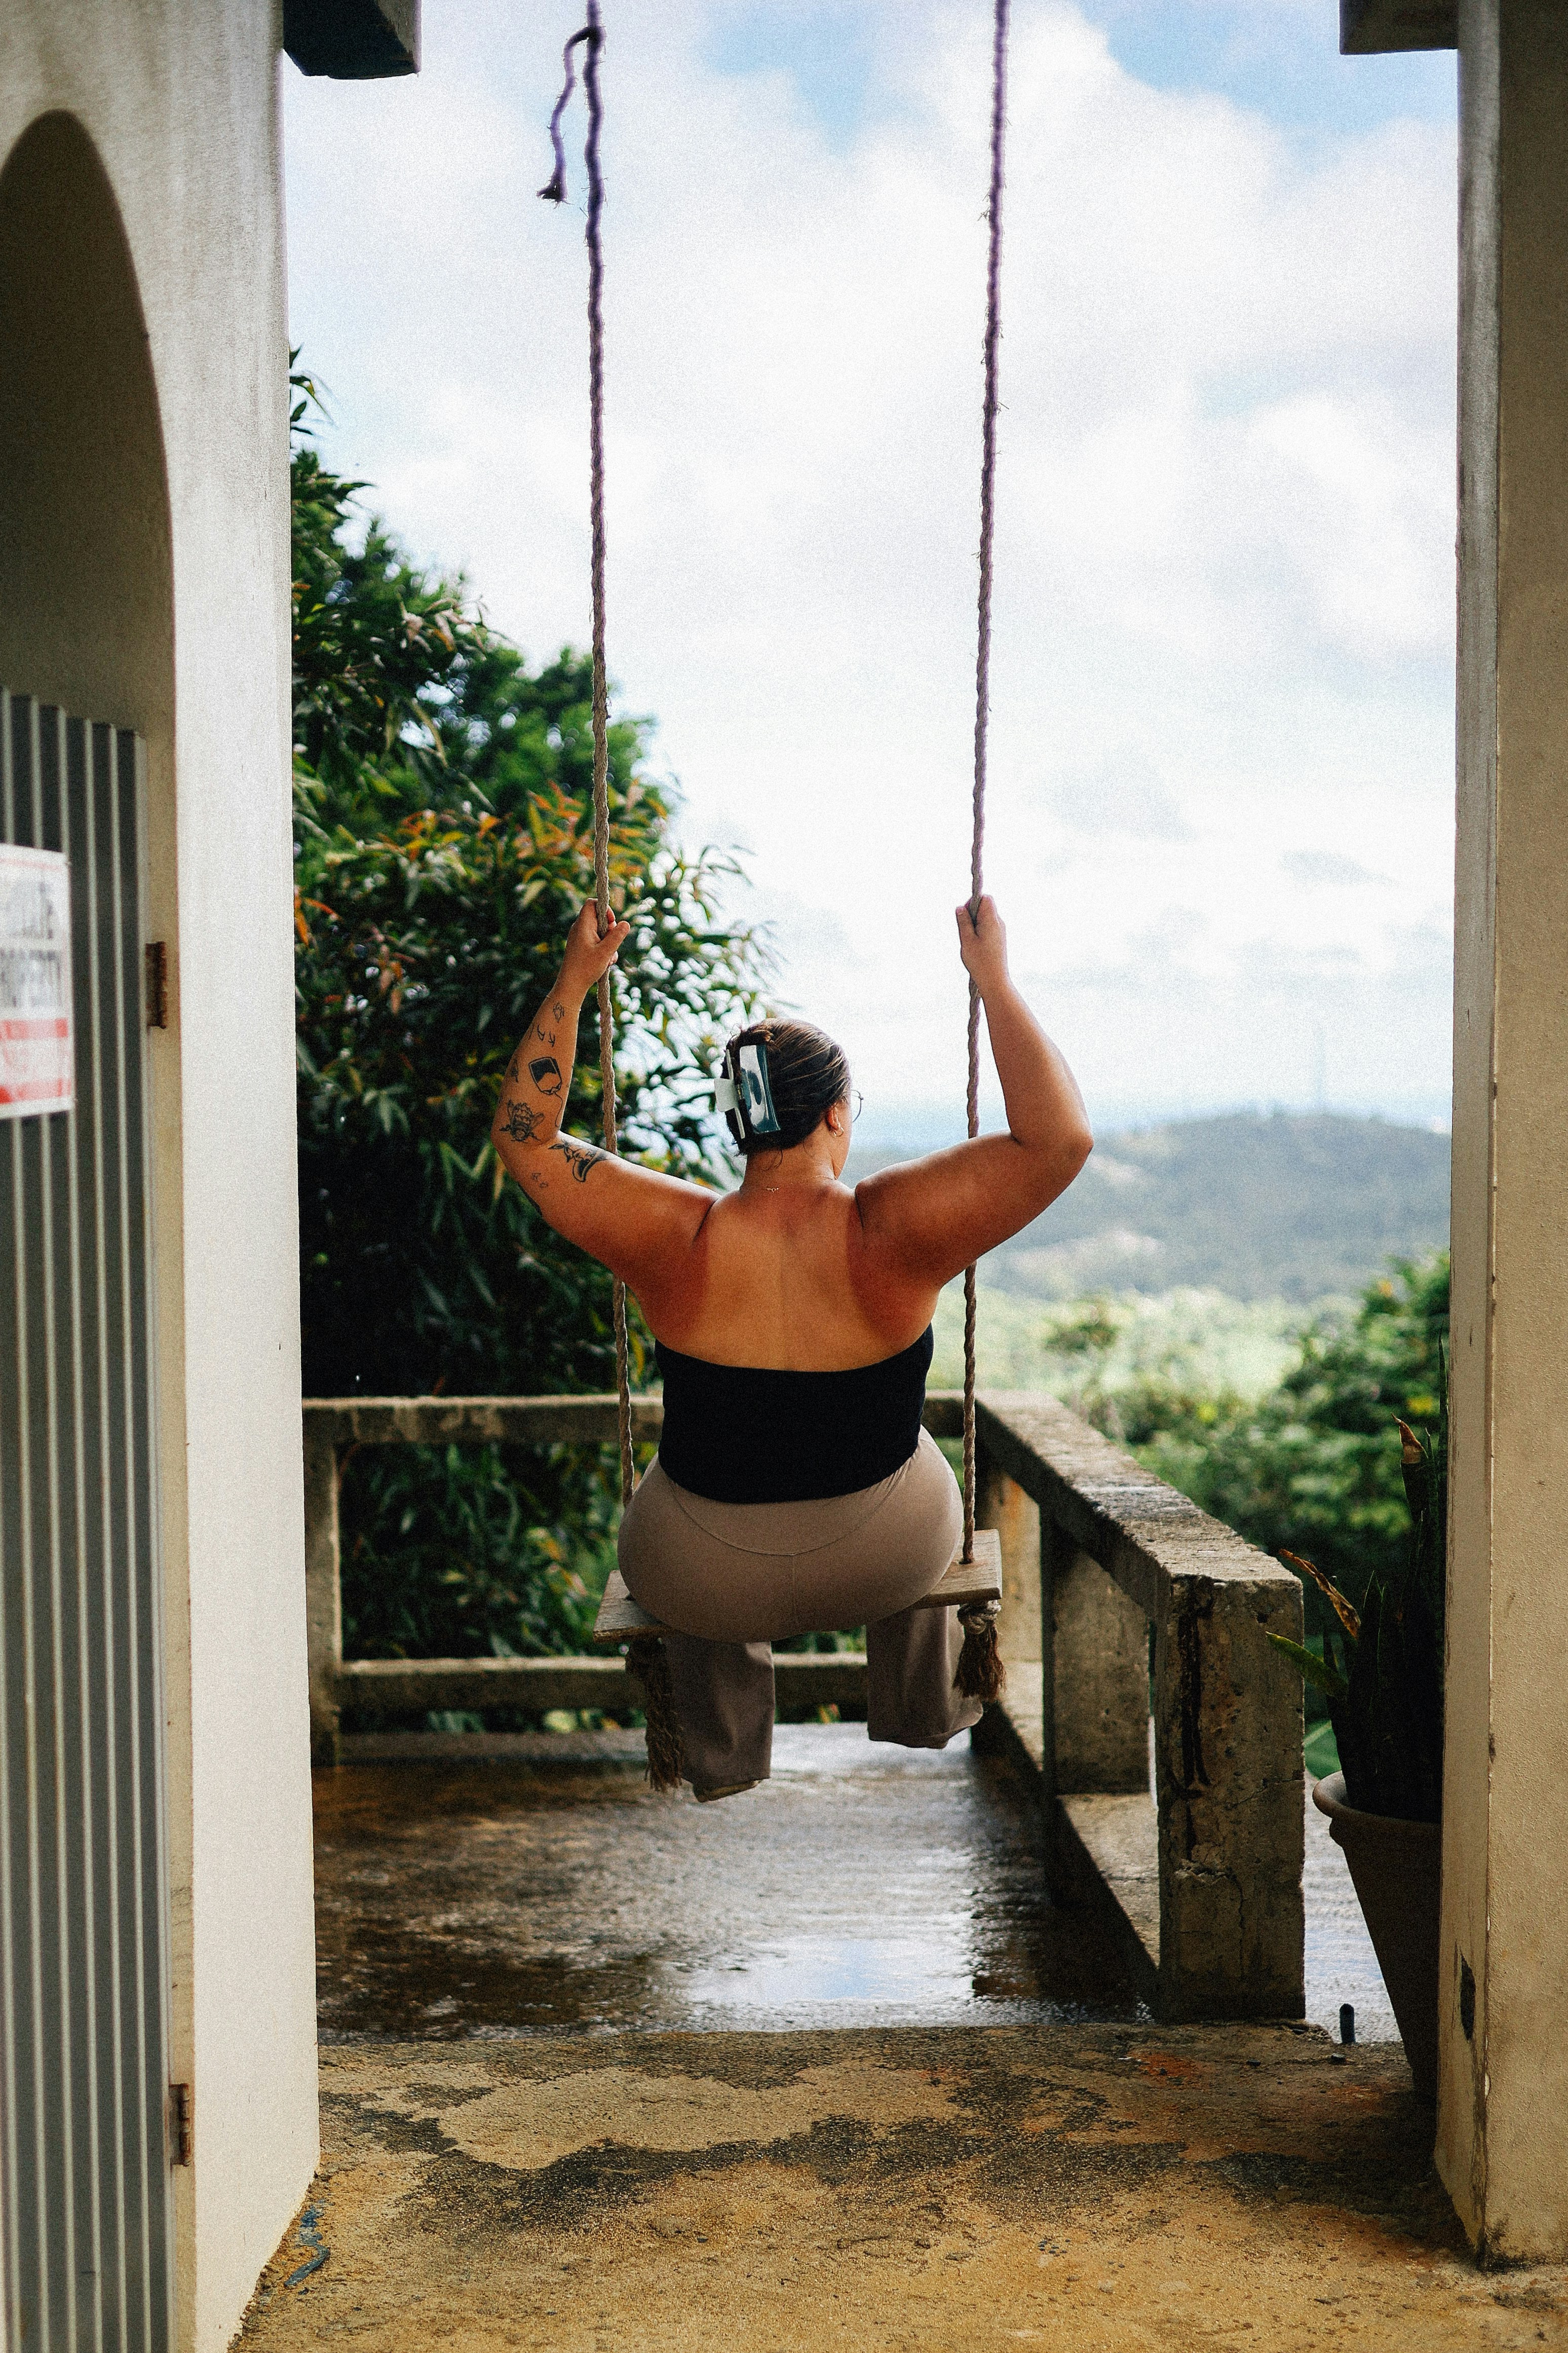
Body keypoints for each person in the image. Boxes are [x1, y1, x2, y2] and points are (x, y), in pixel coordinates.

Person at [491, 895, 1092, 1800]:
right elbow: (1060, 1139)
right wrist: (993, 982)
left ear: (738, 1122)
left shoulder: (672, 1235)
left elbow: (524, 1138)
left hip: (701, 1573)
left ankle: (722, 1755)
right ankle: (922, 1707)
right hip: (882, 1558)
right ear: (837, 1117)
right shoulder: (894, 1230)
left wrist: (577, 980)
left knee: (686, 1489)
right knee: (912, 1451)